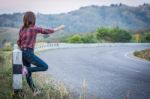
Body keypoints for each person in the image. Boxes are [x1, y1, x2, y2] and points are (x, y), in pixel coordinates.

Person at [17, 11, 64, 96]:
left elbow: (18, 42)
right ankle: (25, 70)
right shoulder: (34, 28)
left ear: (25, 19)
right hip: (28, 52)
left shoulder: (22, 29)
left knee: (28, 74)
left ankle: (35, 91)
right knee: (44, 67)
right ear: (33, 19)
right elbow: (46, 31)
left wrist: (22, 50)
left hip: (23, 53)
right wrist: (59, 28)